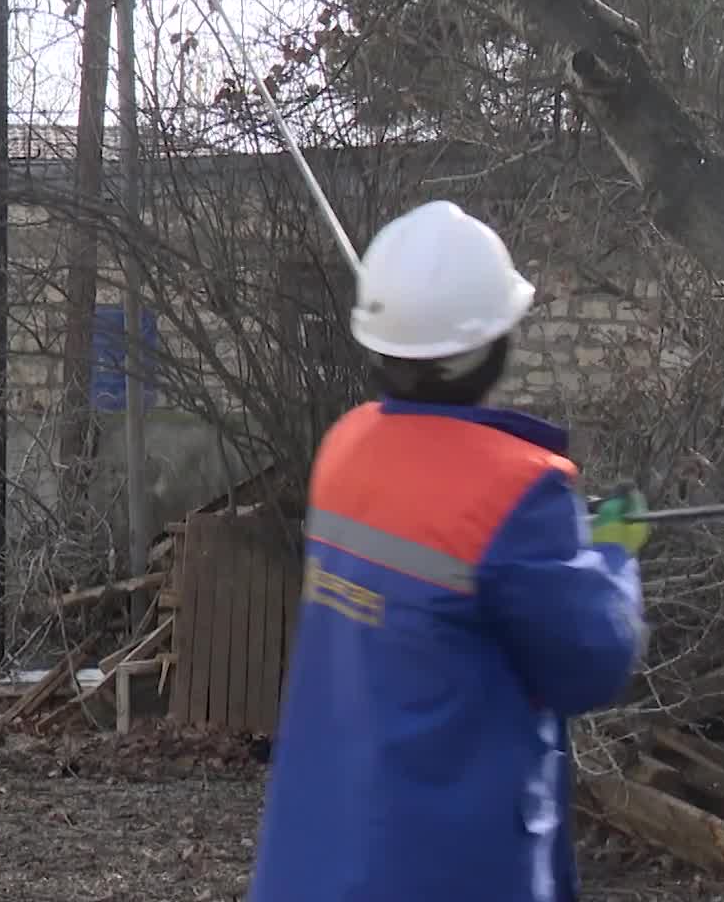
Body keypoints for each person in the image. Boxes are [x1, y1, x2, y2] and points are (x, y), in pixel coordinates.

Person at [248, 200, 650, 902]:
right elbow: (591, 663)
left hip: (317, 861)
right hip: (447, 868)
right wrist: (613, 551)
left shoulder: (344, 449)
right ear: (497, 343)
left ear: (380, 346)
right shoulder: (522, 493)